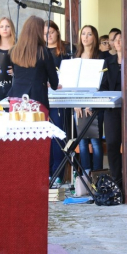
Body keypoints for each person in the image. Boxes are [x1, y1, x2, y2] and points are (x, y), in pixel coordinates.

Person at [8, 16, 59, 119]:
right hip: (36, 99)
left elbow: (17, 74)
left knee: (18, 133)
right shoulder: (43, 52)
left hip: (15, 100)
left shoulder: (14, 51)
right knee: (38, 134)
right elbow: (54, 83)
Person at [44, 20, 74, 183]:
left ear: (57, 32)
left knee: (58, 135)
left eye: (51, 32)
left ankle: (58, 173)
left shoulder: (66, 50)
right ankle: (46, 172)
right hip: (43, 97)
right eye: (45, 33)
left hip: (61, 97)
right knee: (45, 136)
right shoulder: (40, 51)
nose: (48, 35)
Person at [75, 25, 104, 174]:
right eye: (83, 34)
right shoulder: (76, 57)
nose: (85, 37)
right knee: (82, 140)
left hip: (94, 102)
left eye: (89, 34)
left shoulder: (99, 57)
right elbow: (74, 83)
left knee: (95, 140)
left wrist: (90, 103)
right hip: (79, 103)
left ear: (95, 37)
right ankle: (86, 173)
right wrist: (77, 103)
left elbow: (99, 83)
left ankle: (97, 174)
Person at [100, 30, 124, 186]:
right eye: (117, 40)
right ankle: (116, 179)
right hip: (111, 108)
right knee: (112, 143)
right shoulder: (108, 62)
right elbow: (102, 86)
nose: (120, 42)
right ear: (114, 44)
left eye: (123, 39)